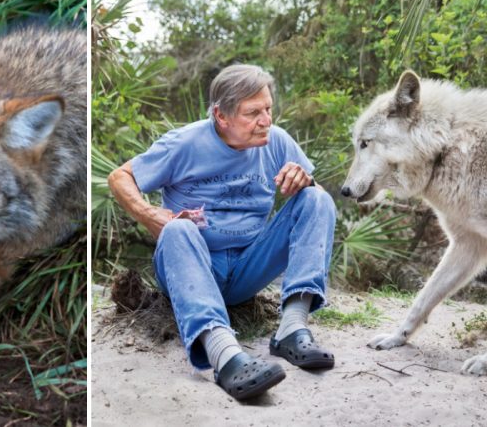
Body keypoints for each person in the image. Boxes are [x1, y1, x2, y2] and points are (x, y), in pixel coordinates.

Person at [107, 64, 336, 400]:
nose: (266, 120)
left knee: (317, 198)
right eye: (253, 113)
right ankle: (225, 357)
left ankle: (292, 328)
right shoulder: (183, 143)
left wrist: (304, 179)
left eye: (268, 109)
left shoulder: (276, 142)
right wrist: (148, 213)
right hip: (194, 266)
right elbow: (119, 177)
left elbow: (311, 199)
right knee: (177, 230)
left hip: (248, 266)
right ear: (221, 115)